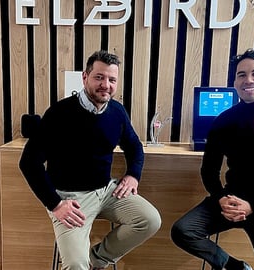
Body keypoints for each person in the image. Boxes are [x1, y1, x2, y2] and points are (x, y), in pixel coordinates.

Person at [19, 50, 161, 270]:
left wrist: (133, 174)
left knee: (150, 220)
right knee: (76, 265)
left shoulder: (117, 111)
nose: (106, 84)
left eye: (112, 80)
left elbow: (134, 146)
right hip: (70, 198)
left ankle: (98, 259)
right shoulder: (59, 113)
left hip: (106, 191)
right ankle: (85, 261)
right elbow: (28, 163)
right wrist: (55, 204)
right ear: (85, 77)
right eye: (99, 77)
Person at [171, 49, 254, 270]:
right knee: (183, 230)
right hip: (232, 200)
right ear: (235, 81)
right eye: (242, 75)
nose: (249, 80)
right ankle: (233, 266)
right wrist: (221, 198)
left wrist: (253, 206)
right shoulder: (224, 121)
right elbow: (209, 171)